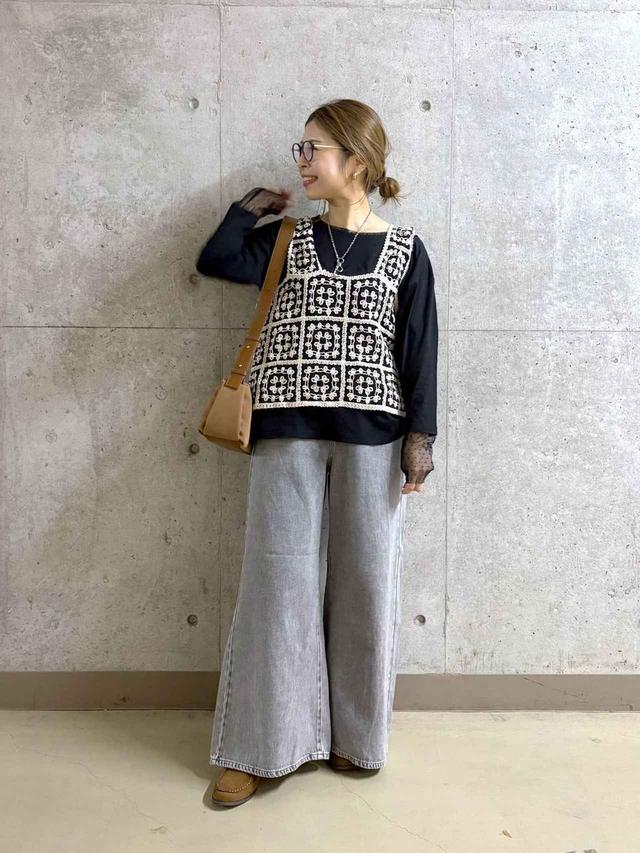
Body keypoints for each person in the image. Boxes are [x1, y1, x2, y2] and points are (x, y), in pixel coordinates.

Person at [196, 99, 438, 807]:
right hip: (286, 429)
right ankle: (260, 747)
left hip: (375, 437)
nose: (301, 161)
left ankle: (355, 737)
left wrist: (420, 440)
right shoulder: (287, 239)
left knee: (366, 583)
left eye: (314, 149)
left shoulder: (407, 250)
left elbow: (420, 349)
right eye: (298, 149)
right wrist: (249, 208)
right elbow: (215, 260)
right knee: (277, 584)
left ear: (356, 160)